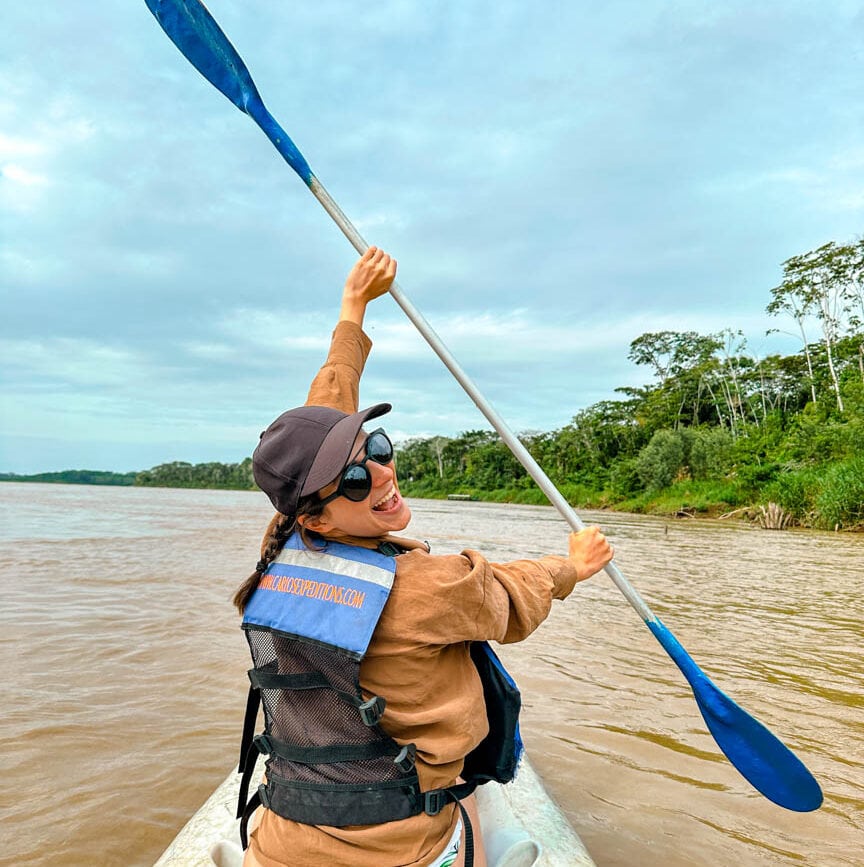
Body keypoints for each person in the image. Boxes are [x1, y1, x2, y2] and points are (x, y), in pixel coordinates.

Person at [234, 247, 614, 867]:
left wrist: (354, 308)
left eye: (378, 448)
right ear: (316, 515)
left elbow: (324, 412)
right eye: (354, 479)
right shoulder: (432, 587)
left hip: (283, 839)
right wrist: (574, 564)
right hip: (402, 847)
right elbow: (515, 593)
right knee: (469, 794)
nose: (382, 473)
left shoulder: (281, 547)